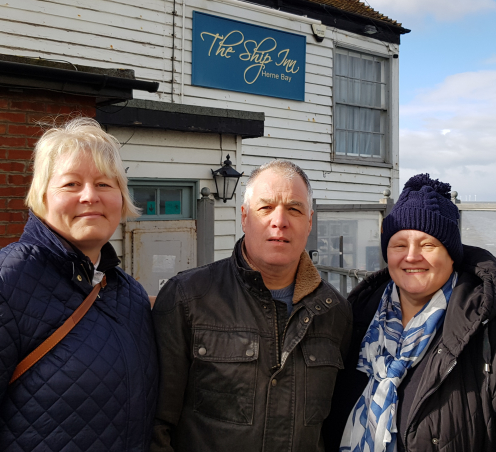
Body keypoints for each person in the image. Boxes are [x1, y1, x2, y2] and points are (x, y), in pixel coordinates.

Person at [0, 117, 158, 452]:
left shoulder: (129, 295)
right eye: (71, 184)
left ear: (121, 198)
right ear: (42, 196)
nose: (90, 196)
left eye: (105, 184)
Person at [322, 173, 496, 452]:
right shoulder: (355, 318)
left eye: (427, 245)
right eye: (399, 245)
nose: (411, 256)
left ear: (452, 254)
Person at [151, 159, 352, 452]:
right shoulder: (188, 299)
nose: (279, 221)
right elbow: (156, 425)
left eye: (294, 209)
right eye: (266, 208)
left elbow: (336, 428)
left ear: (309, 223)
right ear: (244, 218)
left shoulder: (335, 312)